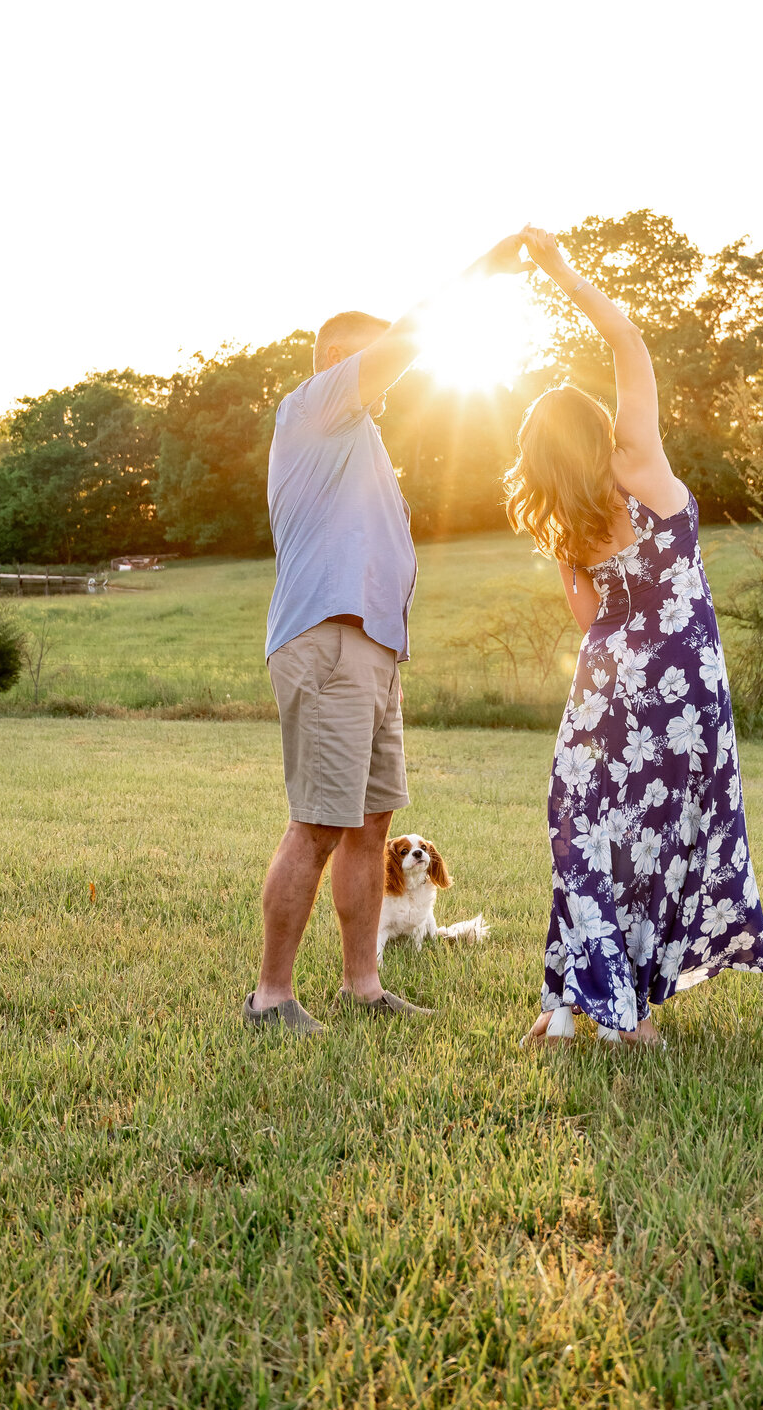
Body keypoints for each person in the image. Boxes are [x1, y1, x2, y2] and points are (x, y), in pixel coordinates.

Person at [244, 231, 530, 1033]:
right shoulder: (313, 408)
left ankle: (362, 985)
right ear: (336, 356)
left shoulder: (362, 439)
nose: (393, 375)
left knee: (371, 825)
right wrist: (482, 274)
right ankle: (270, 998)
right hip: (328, 640)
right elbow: (407, 342)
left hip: (372, 651)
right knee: (320, 823)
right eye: (374, 358)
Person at [506, 226, 763, 1046]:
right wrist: (563, 273)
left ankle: (575, 1003)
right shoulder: (642, 464)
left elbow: (588, 622)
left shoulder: (572, 519)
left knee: (587, 830)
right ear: (597, 424)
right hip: (685, 686)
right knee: (659, 839)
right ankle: (623, 1012)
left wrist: (563, 550)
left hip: (605, 691)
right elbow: (627, 338)